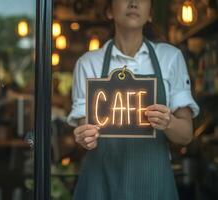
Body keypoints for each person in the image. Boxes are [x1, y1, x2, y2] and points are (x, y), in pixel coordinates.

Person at [67, 0, 200, 199]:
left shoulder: (170, 58)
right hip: (101, 185)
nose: (134, 2)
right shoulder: (88, 63)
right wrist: (85, 137)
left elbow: (186, 135)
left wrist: (168, 122)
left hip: (154, 186)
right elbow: (83, 129)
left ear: (150, 14)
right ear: (109, 11)